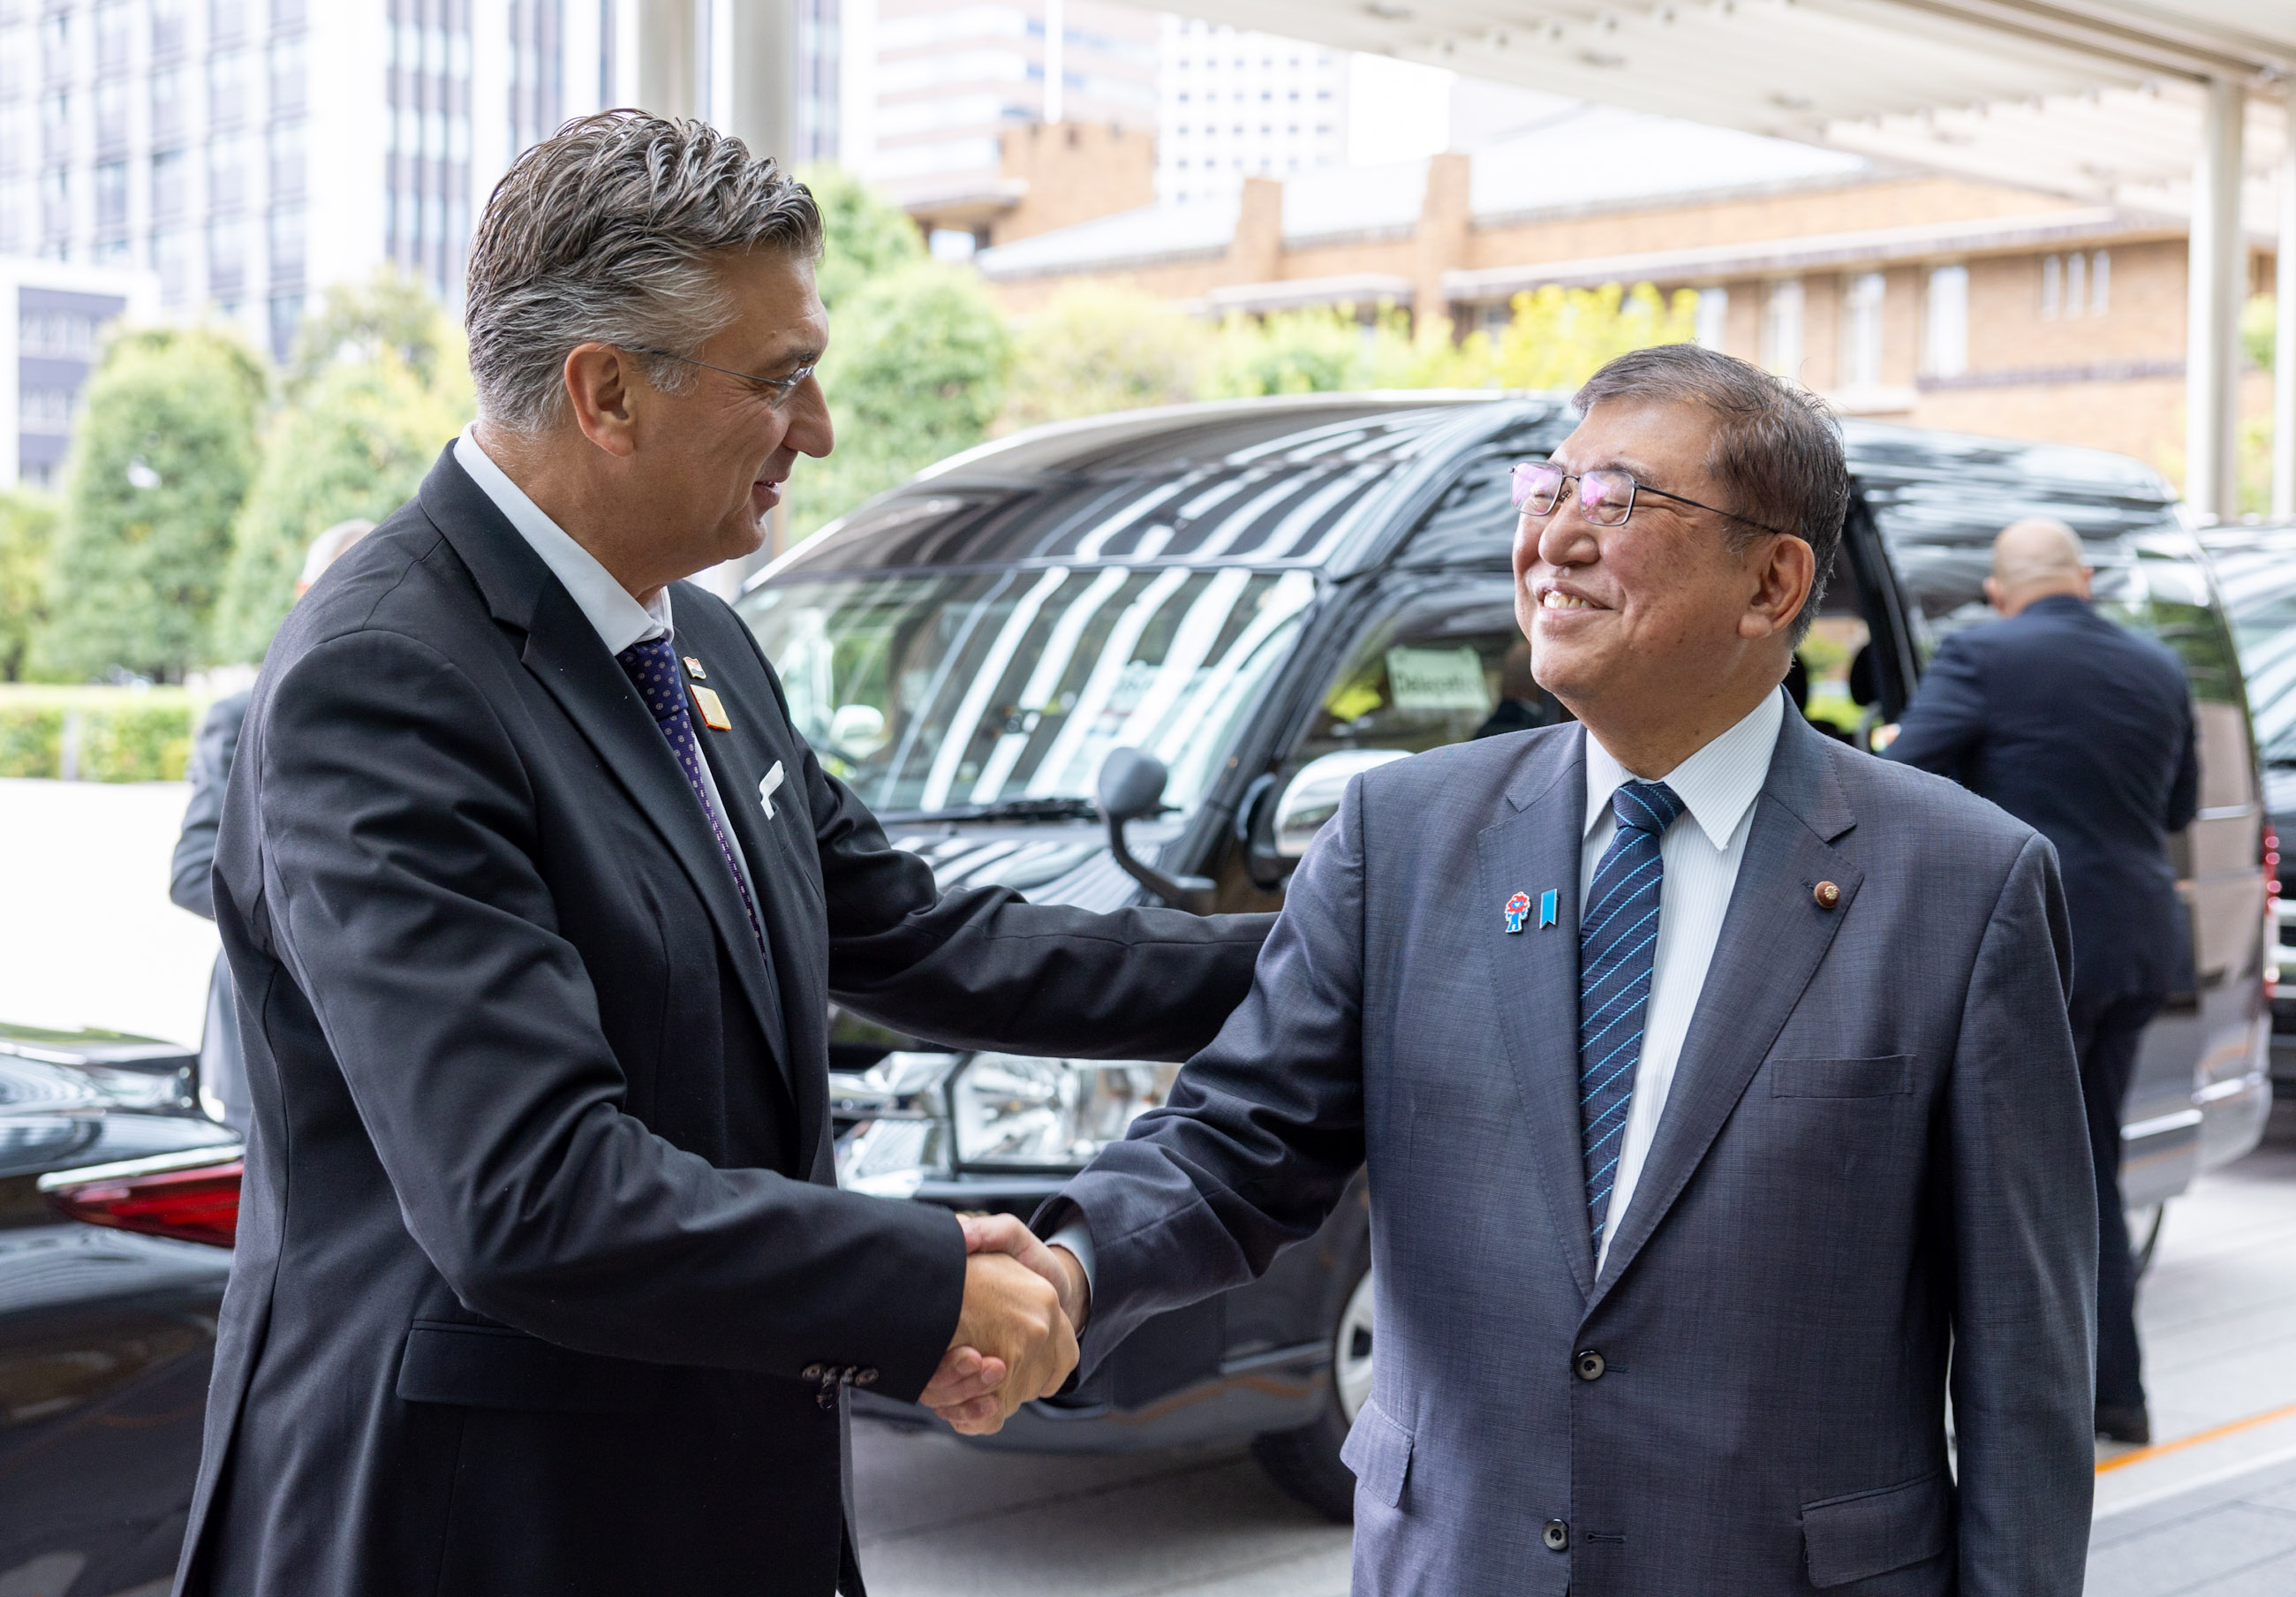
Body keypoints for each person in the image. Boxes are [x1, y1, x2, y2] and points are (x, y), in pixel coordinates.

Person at [180, 112, 1269, 1597]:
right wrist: (927, 1277)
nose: (817, 428)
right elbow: (532, 1194)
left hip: (710, 1490)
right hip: (481, 1524)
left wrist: (1329, 957)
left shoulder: (694, 642)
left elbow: (929, 942)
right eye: (779, 379)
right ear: (607, 391)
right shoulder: (386, 676)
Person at [956, 345, 2097, 1593]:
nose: (1554, 536)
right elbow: (1239, 1141)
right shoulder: (1402, 837)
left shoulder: (1963, 883)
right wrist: (1068, 1267)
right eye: (1544, 488)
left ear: (1773, 584)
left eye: (1614, 499)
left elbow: (2024, 1361)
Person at [1884, 515, 2198, 1446]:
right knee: (2085, 1162)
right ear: (2084, 579)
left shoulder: (1982, 654)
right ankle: (2116, 1391)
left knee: (1996, 1176)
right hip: (2137, 941)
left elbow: (1901, 775)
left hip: (2039, 944)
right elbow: (2178, 806)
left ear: (1997, 589)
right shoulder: (2158, 667)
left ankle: (2012, 1414)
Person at [170, 518, 374, 1135]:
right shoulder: (242, 713)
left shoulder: (406, 706)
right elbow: (192, 872)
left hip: (371, 1040)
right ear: (302, 591)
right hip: (269, 1031)